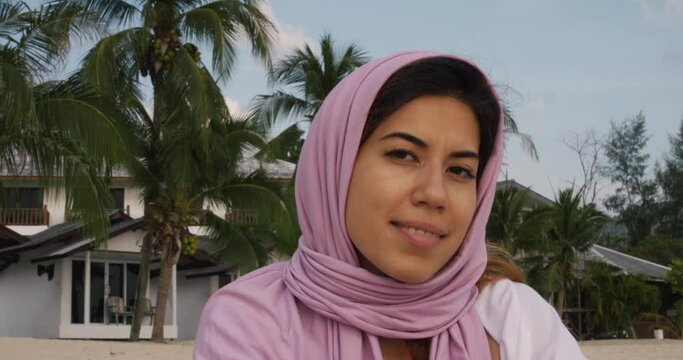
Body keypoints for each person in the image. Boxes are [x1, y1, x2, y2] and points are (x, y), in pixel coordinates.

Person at [194, 51, 586, 360]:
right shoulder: (252, 319)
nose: (435, 194)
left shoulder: (511, 317)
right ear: (337, 166)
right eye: (403, 155)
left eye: (461, 170)